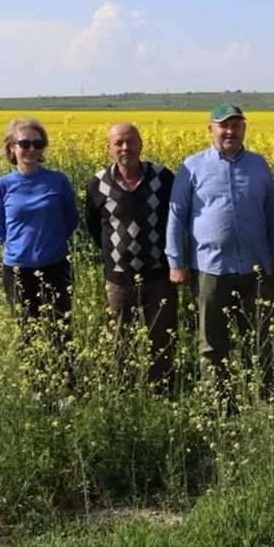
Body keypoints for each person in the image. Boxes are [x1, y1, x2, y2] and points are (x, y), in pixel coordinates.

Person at [166, 104, 274, 393]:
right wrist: (176, 262)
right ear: (211, 129)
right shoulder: (191, 166)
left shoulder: (259, 165)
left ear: (244, 129)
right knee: (211, 341)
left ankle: (262, 399)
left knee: (259, 339)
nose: (230, 131)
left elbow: (273, 214)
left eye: (236, 125)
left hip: (255, 267)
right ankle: (216, 402)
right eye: (223, 125)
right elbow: (176, 215)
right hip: (210, 267)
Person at [84, 122, 177, 389]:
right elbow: (94, 224)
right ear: (109, 148)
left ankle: (162, 391)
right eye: (119, 143)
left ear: (141, 144)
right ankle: (123, 389)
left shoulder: (163, 177)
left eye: (131, 141)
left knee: (161, 336)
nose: (126, 148)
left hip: (159, 273)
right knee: (119, 337)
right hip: (119, 277)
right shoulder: (97, 183)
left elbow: (175, 219)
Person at [0, 117, 79, 375]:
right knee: (26, 329)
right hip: (17, 270)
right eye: (24, 143)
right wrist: (21, 248)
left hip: (55, 265)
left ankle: (65, 385)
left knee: (60, 327)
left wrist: (48, 243)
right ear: (11, 148)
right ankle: (36, 387)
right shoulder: (2, 186)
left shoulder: (57, 181)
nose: (31, 149)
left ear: (43, 148)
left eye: (37, 144)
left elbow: (70, 220)